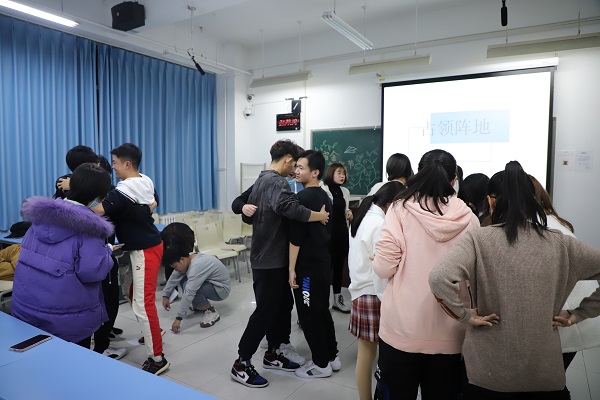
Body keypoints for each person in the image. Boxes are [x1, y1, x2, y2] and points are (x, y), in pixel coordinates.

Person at [429, 161, 600, 398]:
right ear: (532, 199)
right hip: (542, 371)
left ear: (491, 201)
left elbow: (439, 278)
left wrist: (465, 315)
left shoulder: (478, 240)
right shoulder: (561, 243)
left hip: (486, 372)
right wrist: (578, 314)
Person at [372, 149, 479, 399]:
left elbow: (384, 268)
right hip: (451, 332)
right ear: (454, 180)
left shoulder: (399, 209)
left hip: (402, 330)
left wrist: (377, 258)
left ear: (417, 175)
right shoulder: (469, 218)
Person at [231, 139, 329, 389]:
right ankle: (241, 362)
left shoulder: (263, 179)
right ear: (287, 160)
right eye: (294, 165)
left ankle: (273, 353)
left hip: (273, 258)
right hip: (269, 260)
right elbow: (291, 208)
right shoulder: (276, 182)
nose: (294, 170)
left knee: (281, 307)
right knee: (265, 311)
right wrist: (319, 215)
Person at [12, 163, 115, 347]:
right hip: (67, 319)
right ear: (98, 197)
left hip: (25, 307)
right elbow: (92, 272)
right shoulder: (90, 228)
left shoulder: (39, 217)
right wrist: (107, 251)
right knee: (73, 361)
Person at [92, 143, 169, 375]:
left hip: (145, 250)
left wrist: (70, 201)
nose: (113, 167)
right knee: (134, 295)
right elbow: (154, 200)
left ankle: (158, 358)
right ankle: (153, 331)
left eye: (115, 163)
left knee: (143, 305)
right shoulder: (144, 180)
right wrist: (148, 209)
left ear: (127, 164)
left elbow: (97, 211)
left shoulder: (124, 190)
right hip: (150, 245)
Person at [529, 175, 600, 396]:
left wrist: (578, 313)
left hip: (567, 319)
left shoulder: (539, 227)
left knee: (547, 387)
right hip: (571, 317)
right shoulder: (550, 219)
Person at [347, 181, 405, 400]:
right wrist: (389, 300)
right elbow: (380, 271)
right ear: (391, 204)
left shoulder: (364, 216)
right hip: (373, 294)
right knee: (373, 356)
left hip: (360, 290)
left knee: (365, 355)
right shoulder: (380, 224)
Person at [288, 150, 340, 378]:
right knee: (321, 311)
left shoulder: (302, 198)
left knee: (309, 314)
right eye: (296, 167)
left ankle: (320, 364)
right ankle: (332, 356)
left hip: (307, 268)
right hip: (322, 262)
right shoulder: (325, 196)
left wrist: (291, 269)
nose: (296, 171)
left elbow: (296, 239)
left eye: (301, 167)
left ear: (315, 172)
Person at [161, 242, 231, 331]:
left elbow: (189, 292)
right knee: (182, 278)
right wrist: (165, 295)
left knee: (190, 286)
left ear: (182, 260)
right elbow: (174, 277)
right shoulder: (189, 257)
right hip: (212, 284)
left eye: (175, 266)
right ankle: (199, 304)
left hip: (222, 289)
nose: (176, 270)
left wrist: (178, 318)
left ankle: (210, 311)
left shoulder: (196, 266)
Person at [321, 162, 353, 313]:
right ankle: (322, 302)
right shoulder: (322, 189)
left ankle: (337, 300)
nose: (342, 176)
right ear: (331, 173)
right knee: (325, 269)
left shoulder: (345, 191)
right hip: (327, 235)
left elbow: (345, 209)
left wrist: (349, 212)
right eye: (339, 173)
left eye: (344, 173)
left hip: (341, 233)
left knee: (339, 267)